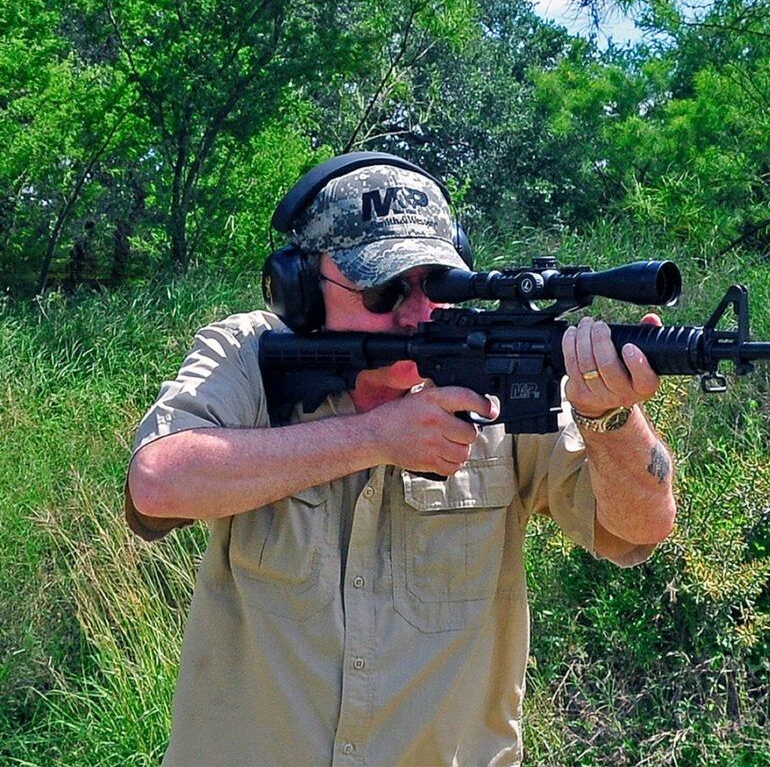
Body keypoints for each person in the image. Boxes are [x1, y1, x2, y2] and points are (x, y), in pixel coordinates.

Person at [125, 153, 677, 766]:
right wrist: (374, 438)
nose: (416, 312)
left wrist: (612, 418)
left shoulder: (498, 374)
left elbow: (640, 525)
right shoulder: (251, 355)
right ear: (303, 290)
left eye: (436, 285)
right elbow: (158, 482)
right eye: (385, 289)